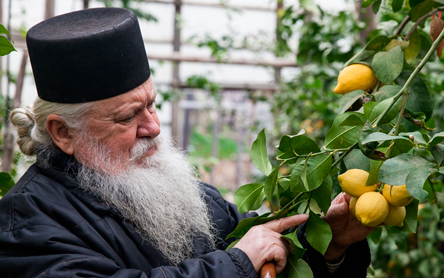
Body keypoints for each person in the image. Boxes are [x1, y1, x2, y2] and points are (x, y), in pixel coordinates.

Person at [0, 7, 372, 278]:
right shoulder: (26, 225)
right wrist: (236, 265)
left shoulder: (179, 193)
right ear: (63, 132)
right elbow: (244, 258)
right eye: (128, 116)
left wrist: (331, 246)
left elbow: (263, 247)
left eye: (152, 105)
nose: (153, 127)